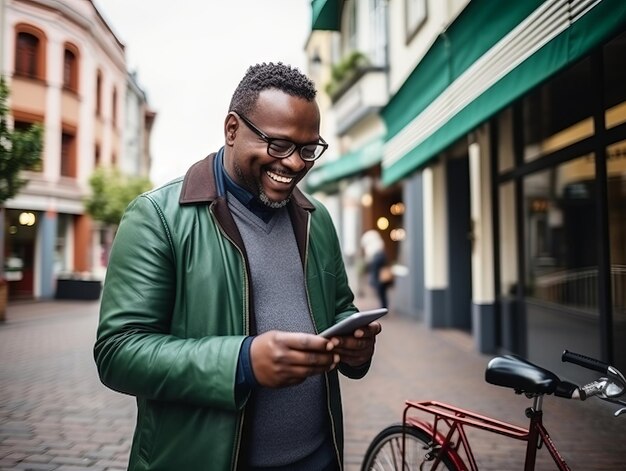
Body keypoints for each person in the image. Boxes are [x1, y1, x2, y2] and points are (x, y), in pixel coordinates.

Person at [94, 62, 382, 471]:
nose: (296, 164)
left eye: (308, 149)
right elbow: (118, 353)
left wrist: (356, 345)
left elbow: (340, 309)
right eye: (279, 145)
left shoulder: (317, 219)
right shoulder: (156, 217)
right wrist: (242, 362)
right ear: (232, 129)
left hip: (319, 459)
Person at [360, 229, 390, 308]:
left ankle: (383, 307)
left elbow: (375, 265)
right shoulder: (379, 249)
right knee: (381, 294)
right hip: (380, 276)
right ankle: (383, 307)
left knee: (381, 293)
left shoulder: (376, 252)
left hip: (379, 277)